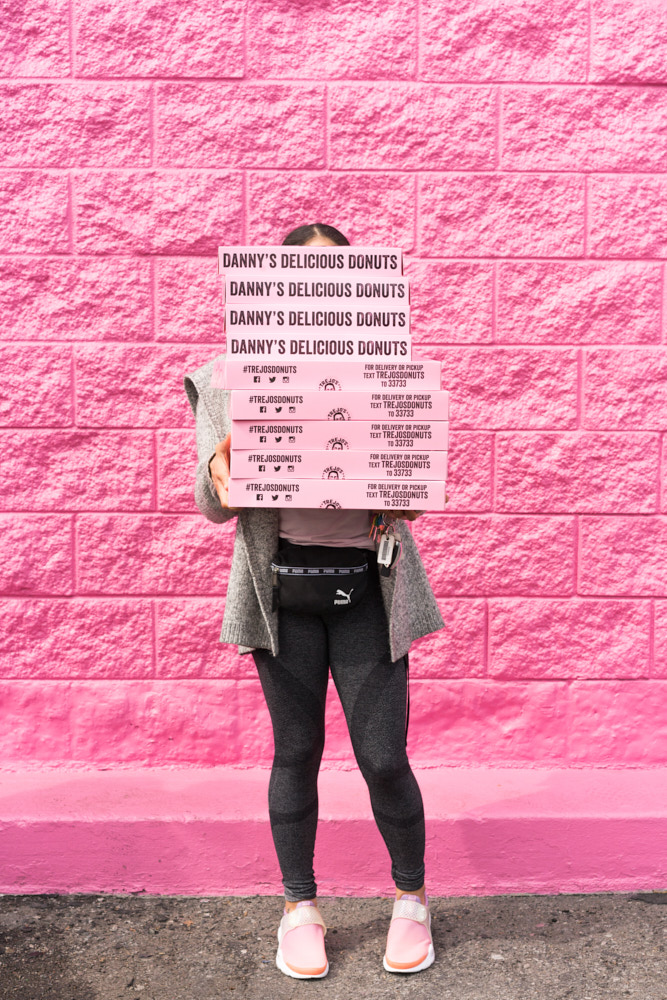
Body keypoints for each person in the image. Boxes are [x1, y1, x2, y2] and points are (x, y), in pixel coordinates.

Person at [184, 223, 445, 979]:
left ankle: (411, 899)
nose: (319, 294)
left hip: (370, 586)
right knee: (295, 751)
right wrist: (221, 462)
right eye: (304, 278)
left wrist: (412, 476)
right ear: (273, 290)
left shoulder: (383, 371)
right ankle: (299, 907)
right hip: (281, 591)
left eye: (338, 277)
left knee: (383, 756)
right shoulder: (229, 378)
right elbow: (212, 504)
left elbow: (411, 506)